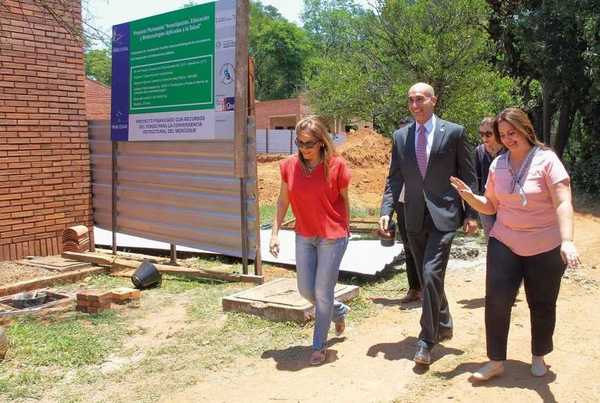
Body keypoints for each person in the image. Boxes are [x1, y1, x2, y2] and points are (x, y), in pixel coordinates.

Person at [450, 107, 580, 381]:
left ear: (526, 129)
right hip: (505, 241)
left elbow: (563, 201)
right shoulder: (499, 164)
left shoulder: (547, 160)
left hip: (545, 245)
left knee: (542, 303)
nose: (509, 138)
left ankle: (539, 355)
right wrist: (469, 197)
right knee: (497, 301)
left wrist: (566, 240)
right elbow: (490, 205)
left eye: (513, 132)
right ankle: (496, 361)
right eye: (503, 134)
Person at [380, 82, 478, 365]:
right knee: (426, 277)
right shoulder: (400, 137)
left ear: (433, 101)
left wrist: (471, 214)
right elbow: (394, 178)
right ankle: (444, 322)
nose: (415, 105)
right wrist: (386, 209)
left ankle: (426, 339)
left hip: (444, 215)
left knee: (431, 275)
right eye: (410, 100)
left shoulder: (455, 133)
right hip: (412, 215)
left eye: (420, 99)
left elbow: (468, 176)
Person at [270, 116, 351, 366]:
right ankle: (338, 311)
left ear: (322, 143)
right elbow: (283, 201)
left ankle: (319, 345)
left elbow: (345, 201)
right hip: (304, 234)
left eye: (309, 144)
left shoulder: (337, 166)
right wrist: (274, 232)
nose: (304, 148)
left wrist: (344, 230)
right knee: (306, 290)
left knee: (322, 292)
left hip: (332, 235)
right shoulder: (289, 166)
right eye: (300, 143)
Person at [381, 116, 422, 303]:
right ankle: (414, 288)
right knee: (408, 247)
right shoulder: (396, 155)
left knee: (422, 248)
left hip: (422, 206)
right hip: (403, 205)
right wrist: (386, 211)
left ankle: (428, 288)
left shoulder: (423, 153)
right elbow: (391, 182)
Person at [475, 117, 505, 237]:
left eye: (488, 134)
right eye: (481, 134)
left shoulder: (508, 150)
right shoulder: (479, 151)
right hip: (485, 202)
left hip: (505, 202)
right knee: (491, 238)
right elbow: (476, 178)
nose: (484, 138)